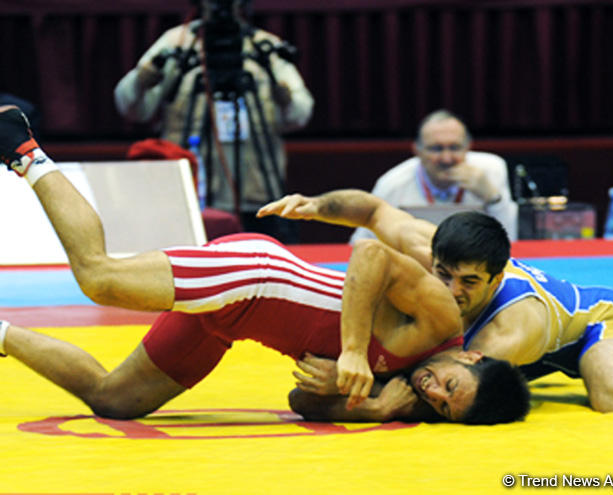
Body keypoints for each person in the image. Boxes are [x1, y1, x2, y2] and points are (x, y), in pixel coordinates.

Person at [0, 105, 529, 425]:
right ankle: (23, 148)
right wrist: (352, 352)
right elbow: (370, 252)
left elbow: (300, 398)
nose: (433, 393)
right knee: (99, 278)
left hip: (232, 318)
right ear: (473, 357)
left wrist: (372, 408)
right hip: (253, 277)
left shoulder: (404, 395)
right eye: (448, 388)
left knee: (113, 400)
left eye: (441, 408)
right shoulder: (441, 321)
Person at [259, 189, 613, 414]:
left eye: (470, 282)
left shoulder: (507, 332)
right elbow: (373, 210)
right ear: (435, 258)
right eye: (444, 275)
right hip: (526, 347)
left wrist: (358, 389)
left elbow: (432, 391)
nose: (452, 291)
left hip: (596, 323)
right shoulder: (431, 248)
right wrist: (315, 207)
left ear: (496, 278)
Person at [114, 0, 314, 241]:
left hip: (256, 193)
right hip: (190, 194)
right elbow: (132, 107)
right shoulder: (177, 43)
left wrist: (283, 97)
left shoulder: (262, 46)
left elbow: (301, 112)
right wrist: (142, 81)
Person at [350, 109, 518, 243]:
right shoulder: (393, 183)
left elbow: (510, 239)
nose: (446, 158)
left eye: (455, 148)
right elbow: (360, 242)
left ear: (468, 146)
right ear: (417, 151)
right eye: (436, 149)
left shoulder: (491, 170)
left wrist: (493, 199)